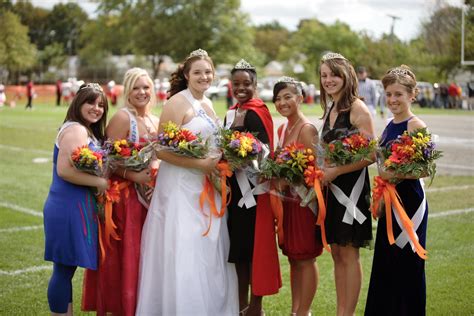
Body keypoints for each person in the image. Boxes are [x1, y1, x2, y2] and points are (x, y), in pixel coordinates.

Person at [135, 49, 238, 315]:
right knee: (186, 250)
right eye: (198, 72)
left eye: (208, 72)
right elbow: (161, 150)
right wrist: (200, 164)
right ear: (186, 75)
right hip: (181, 189)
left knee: (208, 251)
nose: (204, 77)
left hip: (207, 187)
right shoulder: (177, 103)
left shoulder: (208, 104)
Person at [82, 68, 159, 315]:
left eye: (146, 87)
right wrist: (133, 175)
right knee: (127, 257)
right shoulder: (122, 118)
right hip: (126, 201)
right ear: (127, 90)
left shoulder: (156, 120)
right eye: (136, 87)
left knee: (148, 257)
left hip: (151, 199)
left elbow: (158, 157)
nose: (141, 92)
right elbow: (107, 162)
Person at [365, 65, 429, 316]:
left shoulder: (416, 125)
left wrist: (393, 173)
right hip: (390, 200)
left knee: (407, 262)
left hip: (410, 202)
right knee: (387, 261)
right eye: (389, 94)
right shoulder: (390, 124)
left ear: (412, 95)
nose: (392, 99)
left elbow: (424, 170)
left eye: (398, 94)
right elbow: (380, 161)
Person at [43, 83, 109, 315]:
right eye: (91, 102)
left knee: (66, 268)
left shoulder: (85, 129)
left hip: (76, 206)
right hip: (67, 206)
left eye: (101, 105)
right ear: (78, 103)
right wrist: (101, 183)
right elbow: (65, 171)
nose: (96, 108)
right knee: (63, 269)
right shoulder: (75, 130)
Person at [319, 52, 374, 316]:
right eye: (324, 75)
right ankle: (342, 311)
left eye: (333, 75)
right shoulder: (330, 107)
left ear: (346, 76)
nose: (328, 80)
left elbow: (372, 154)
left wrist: (337, 170)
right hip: (331, 189)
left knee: (350, 254)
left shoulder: (357, 108)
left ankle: (347, 314)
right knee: (337, 254)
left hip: (351, 191)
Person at [225, 59, 281, 316]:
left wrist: (238, 133)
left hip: (254, 192)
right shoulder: (232, 110)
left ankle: (255, 306)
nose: (241, 88)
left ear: (255, 85)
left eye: (246, 83)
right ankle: (240, 304)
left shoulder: (257, 111)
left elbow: (265, 152)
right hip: (234, 192)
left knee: (255, 249)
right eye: (236, 83)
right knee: (239, 251)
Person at [273, 77, 323, 316]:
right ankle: (295, 310)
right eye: (278, 99)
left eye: (288, 97)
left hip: (305, 204)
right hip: (288, 203)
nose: (282, 103)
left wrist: (290, 179)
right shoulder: (283, 128)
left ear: (300, 99)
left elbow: (318, 171)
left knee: (305, 258)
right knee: (293, 258)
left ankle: (304, 311)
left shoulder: (307, 129)